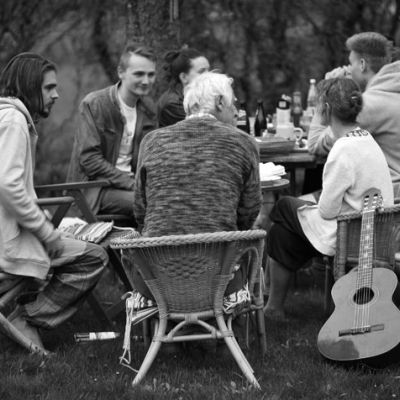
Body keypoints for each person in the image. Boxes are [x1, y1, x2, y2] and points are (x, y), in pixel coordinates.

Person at [0, 53, 108, 353]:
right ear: (28, 86)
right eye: (48, 87)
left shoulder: (8, 117)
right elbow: (7, 185)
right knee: (93, 257)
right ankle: (29, 319)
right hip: (7, 246)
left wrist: (41, 217)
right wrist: (46, 232)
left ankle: (26, 315)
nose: (57, 94)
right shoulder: (13, 120)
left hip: (10, 234)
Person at [264, 78, 394, 319]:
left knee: (283, 206)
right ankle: (273, 308)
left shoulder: (343, 148)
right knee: (282, 233)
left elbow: (327, 211)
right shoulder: (367, 139)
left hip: (349, 233)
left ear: (325, 109)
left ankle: (271, 302)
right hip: (370, 229)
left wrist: (313, 202)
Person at [132, 71, 261, 301]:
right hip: (221, 276)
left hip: (157, 277)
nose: (236, 112)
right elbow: (249, 212)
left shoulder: (151, 142)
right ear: (219, 102)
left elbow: (141, 209)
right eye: (233, 104)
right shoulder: (244, 143)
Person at [67, 43, 158, 217]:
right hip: (96, 190)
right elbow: (89, 159)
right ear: (121, 72)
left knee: (170, 200)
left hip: (135, 188)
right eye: (139, 74)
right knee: (152, 205)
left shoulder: (149, 110)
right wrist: (131, 183)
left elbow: (151, 159)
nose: (146, 81)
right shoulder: (95, 104)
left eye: (151, 74)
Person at [308, 32, 400, 198]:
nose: (349, 70)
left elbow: (315, 145)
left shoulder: (368, 105)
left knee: (286, 206)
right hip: (390, 193)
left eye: (351, 64)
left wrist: (327, 90)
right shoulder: (392, 91)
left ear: (362, 64)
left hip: (380, 199)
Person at [157, 47, 210, 127]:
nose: (209, 75)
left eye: (208, 70)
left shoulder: (198, 96)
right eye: (201, 71)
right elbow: (203, 129)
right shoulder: (173, 104)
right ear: (184, 77)